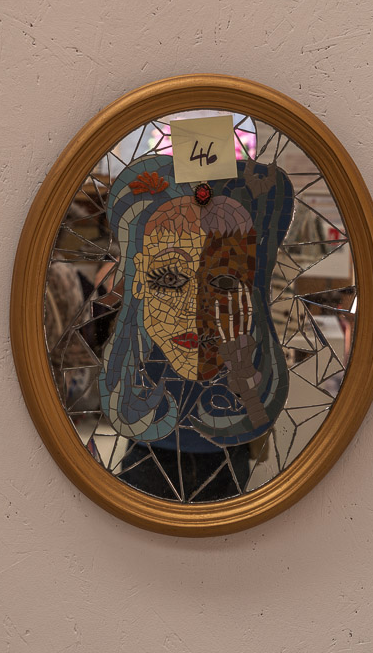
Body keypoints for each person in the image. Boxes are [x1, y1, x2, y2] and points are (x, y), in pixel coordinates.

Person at [97, 154, 294, 498]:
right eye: (170, 279)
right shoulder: (135, 347)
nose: (195, 312)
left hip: (225, 453)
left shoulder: (248, 344)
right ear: (140, 278)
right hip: (150, 451)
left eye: (223, 282)